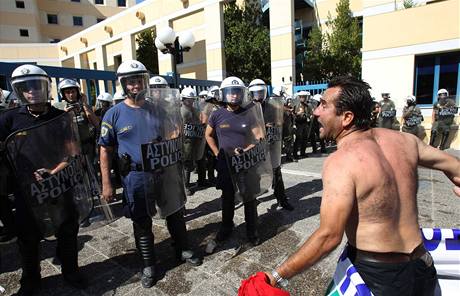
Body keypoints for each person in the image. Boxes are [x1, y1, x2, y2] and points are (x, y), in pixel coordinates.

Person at [256, 76, 460, 296]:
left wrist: (276, 276)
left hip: (378, 279)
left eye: (324, 106)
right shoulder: (406, 142)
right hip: (423, 266)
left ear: (347, 117)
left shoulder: (341, 161)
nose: (316, 112)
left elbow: (329, 236)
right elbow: (455, 167)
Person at [99, 60, 201, 289]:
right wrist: (107, 183)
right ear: (124, 85)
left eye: (139, 80)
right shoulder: (113, 114)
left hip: (164, 170)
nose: (136, 86)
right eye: (130, 82)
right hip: (136, 177)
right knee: (142, 222)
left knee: (175, 212)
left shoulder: (158, 109)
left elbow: (173, 132)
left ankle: (182, 248)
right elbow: (104, 149)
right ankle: (148, 264)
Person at [0, 64, 87, 294]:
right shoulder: (8, 120)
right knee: (28, 238)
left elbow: (72, 151)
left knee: (68, 230)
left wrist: (55, 170)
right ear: (19, 91)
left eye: (36, 86)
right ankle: (31, 279)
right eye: (25, 88)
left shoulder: (60, 117)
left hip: (59, 183)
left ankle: (71, 271)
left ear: (46, 87)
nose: (32, 92)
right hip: (26, 191)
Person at [205, 76, 268, 246]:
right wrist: (217, 153)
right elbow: (208, 135)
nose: (234, 96)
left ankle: (252, 230)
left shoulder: (249, 112)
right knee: (227, 197)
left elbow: (259, 136)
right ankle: (226, 227)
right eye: (230, 93)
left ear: (242, 94)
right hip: (226, 164)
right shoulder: (217, 114)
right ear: (224, 94)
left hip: (246, 163)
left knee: (249, 197)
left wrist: (247, 150)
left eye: (237, 92)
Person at [248, 79, 294, 211]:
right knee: (255, 175)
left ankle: (282, 199)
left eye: (261, 92)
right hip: (255, 146)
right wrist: (263, 126)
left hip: (272, 143)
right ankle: (253, 199)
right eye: (255, 93)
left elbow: (280, 121)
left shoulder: (273, 106)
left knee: (276, 171)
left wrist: (282, 132)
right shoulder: (248, 108)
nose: (259, 96)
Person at [180, 87, 202, 196]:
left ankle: (185, 185)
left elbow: (198, 122)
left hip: (192, 140)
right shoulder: (182, 111)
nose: (191, 101)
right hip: (185, 141)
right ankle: (185, 186)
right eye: (189, 99)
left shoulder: (193, 110)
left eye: (192, 99)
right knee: (186, 164)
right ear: (183, 98)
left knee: (189, 163)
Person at [293, 91, 314, 158]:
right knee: (298, 139)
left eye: (305, 97)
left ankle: (303, 153)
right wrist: (298, 114)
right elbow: (293, 114)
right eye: (302, 97)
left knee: (305, 138)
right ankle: (295, 154)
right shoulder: (296, 105)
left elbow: (310, 113)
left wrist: (308, 116)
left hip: (305, 123)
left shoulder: (307, 105)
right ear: (299, 97)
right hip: (299, 123)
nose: (304, 98)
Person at [282, 96, 296, 162]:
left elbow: (292, 118)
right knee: (285, 143)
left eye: (291, 101)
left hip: (289, 128)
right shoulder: (283, 108)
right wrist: (288, 111)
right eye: (289, 101)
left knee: (289, 143)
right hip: (283, 128)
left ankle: (289, 156)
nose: (290, 103)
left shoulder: (291, 109)